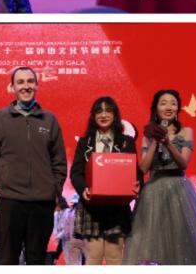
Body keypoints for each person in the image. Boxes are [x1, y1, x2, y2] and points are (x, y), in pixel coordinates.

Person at [0, 66, 67, 265]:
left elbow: (59, 161)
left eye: (30, 81)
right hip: (9, 201)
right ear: (12, 87)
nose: (26, 86)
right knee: (8, 259)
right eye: (20, 82)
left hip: (42, 203)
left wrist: (55, 191)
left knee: (37, 260)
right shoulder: (0, 118)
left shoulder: (49, 120)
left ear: (37, 85)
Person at [123, 89, 196, 264]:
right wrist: (155, 141)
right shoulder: (148, 136)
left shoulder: (186, 131)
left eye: (173, 103)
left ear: (178, 108)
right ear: (156, 108)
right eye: (164, 103)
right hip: (153, 191)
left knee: (181, 242)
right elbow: (144, 168)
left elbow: (183, 163)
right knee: (150, 241)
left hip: (179, 189)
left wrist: (168, 143)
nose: (169, 107)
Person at [69, 97, 139, 265]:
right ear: (93, 116)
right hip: (91, 207)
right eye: (99, 111)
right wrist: (83, 189)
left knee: (115, 257)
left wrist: (137, 186)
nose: (104, 115)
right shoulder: (85, 142)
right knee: (93, 257)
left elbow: (135, 172)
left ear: (115, 115)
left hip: (117, 209)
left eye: (108, 110)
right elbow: (76, 173)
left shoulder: (126, 142)